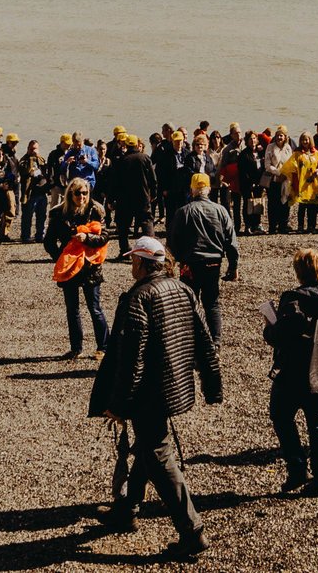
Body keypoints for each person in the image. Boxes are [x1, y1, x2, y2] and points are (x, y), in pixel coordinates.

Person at [90, 236, 224, 560]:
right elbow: (206, 342)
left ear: (140, 263)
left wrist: (118, 404)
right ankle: (127, 509)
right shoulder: (184, 289)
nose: (131, 265)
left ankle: (192, 532)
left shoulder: (139, 297)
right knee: (150, 446)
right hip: (175, 385)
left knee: (158, 454)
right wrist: (212, 384)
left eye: (132, 260)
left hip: (148, 393)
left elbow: (131, 359)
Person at [266, 246, 318, 496]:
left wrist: (269, 326)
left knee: (281, 416)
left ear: (299, 271)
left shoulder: (294, 300)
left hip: (295, 370)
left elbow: (279, 335)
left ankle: (297, 466)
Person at [168, 170, 240, 342]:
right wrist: (233, 266)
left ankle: (192, 343)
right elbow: (231, 241)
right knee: (212, 303)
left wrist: (176, 260)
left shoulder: (183, 212)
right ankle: (215, 342)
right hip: (212, 263)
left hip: (189, 264)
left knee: (189, 304)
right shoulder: (221, 211)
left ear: (192, 190)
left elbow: (172, 241)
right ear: (208, 189)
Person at [47, 176, 112, 358]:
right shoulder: (59, 213)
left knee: (95, 307)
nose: (82, 197)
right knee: (72, 308)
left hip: (90, 265)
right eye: (78, 193)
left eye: (85, 193)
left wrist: (88, 239)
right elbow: (49, 241)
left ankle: (104, 347)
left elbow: (105, 237)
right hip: (70, 267)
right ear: (70, 194)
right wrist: (60, 258)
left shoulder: (96, 211)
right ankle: (76, 348)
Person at [285, 139, 318, 234]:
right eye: (303, 140)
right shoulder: (297, 153)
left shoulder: (315, 153)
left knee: (312, 206)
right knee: (302, 205)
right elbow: (290, 165)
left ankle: (311, 226)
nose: (305, 142)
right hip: (302, 183)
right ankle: (300, 226)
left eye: (307, 140)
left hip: (313, 184)